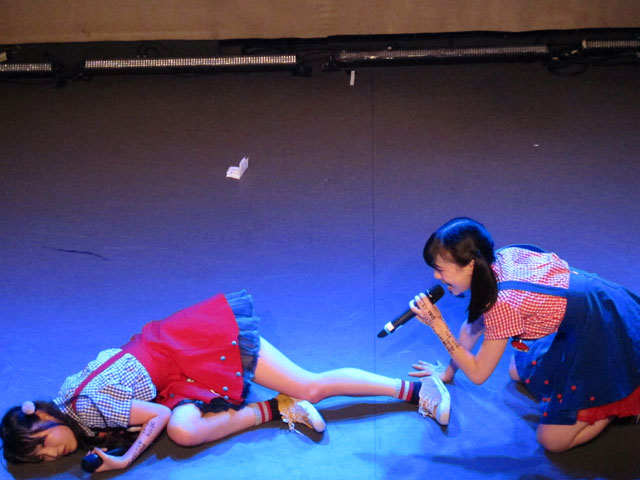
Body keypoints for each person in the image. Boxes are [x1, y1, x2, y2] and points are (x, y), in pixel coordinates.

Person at [1, 290, 450, 472]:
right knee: (184, 431)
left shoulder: (87, 405)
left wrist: (124, 460)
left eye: (41, 445)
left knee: (310, 385)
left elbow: (154, 416)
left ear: (42, 417)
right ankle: (277, 408)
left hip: (194, 346)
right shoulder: (72, 406)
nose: (49, 455)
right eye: (40, 459)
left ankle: (416, 390)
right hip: (173, 377)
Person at [408, 217, 640, 452]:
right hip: (591, 315)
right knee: (517, 369)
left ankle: (617, 403)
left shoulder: (502, 304)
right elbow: (472, 327)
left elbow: (478, 374)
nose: (436, 276)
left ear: (469, 265)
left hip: (605, 331)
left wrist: (438, 326)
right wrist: (447, 374)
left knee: (552, 441)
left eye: (440, 269)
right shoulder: (496, 261)